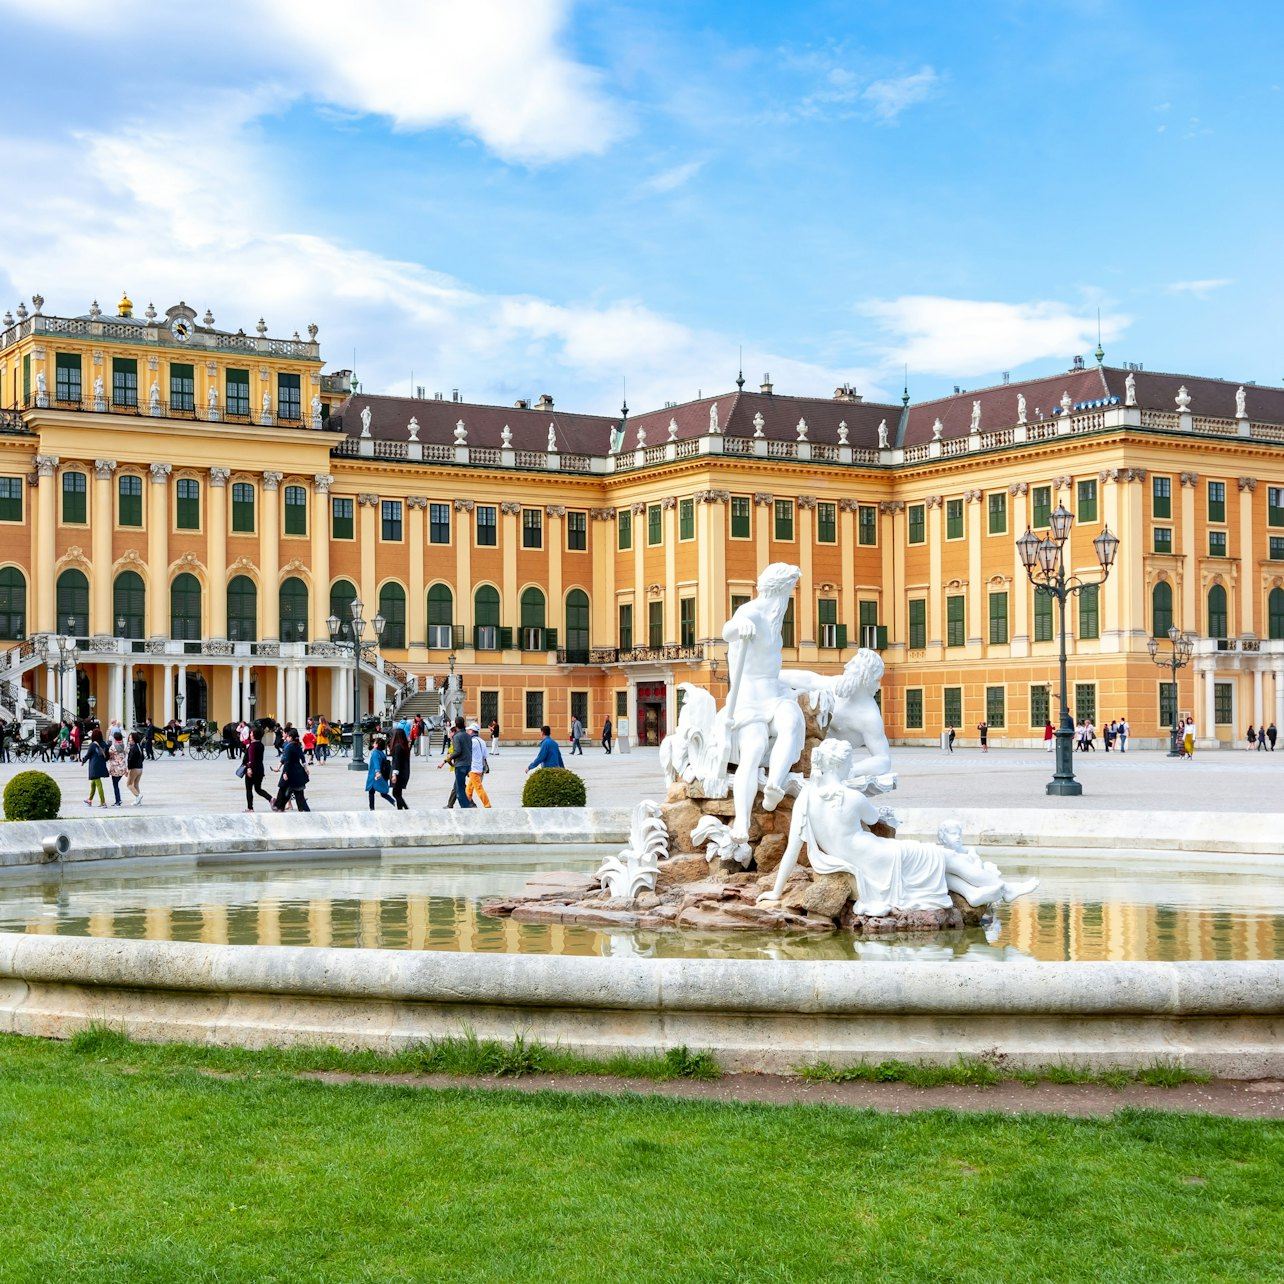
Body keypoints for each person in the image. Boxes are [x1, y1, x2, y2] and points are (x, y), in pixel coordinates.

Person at [272, 727, 311, 811]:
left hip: (290, 771)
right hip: (298, 772)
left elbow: (287, 761)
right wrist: (306, 769)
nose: (287, 738)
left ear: (291, 737)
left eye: (288, 736)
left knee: (284, 790)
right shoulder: (297, 746)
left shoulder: (288, 747)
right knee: (298, 792)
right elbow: (303, 759)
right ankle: (303, 810)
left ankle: (279, 807)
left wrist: (285, 772)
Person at [439, 716, 474, 808]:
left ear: (456, 725)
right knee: (458, 786)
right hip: (468, 763)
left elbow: (457, 751)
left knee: (460, 789)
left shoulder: (457, 736)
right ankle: (452, 804)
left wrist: (450, 757)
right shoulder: (468, 735)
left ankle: (466, 807)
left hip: (460, 764)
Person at [242, 726, 273, 812]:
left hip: (252, 770)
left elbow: (251, 759)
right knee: (258, 789)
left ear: (254, 735)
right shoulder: (261, 745)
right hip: (260, 770)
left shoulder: (252, 746)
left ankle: (250, 808)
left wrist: (249, 768)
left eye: (251, 733)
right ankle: (270, 798)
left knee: (249, 789)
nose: (250, 734)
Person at [365, 735, 396, 809]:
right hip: (382, 775)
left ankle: (372, 808)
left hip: (375, 776)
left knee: (371, 791)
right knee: (383, 793)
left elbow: (376, 763)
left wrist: (377, 772)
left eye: (375, 743)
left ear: (377, 745)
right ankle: (394, 802)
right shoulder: (381, 753)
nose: (373, 744)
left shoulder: (375, 753)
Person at [465, 722, 491, 807]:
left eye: (469, 730)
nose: (467, 732)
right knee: (469, 788)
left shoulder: (472, 741)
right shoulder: (482, 741)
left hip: (473, 768)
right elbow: (485, 755)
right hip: (480, 767)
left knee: (478, 788)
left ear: (472, 731)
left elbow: (467, 753)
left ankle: (487, 804)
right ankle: (466, 803)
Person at [82, 730, 109, 808]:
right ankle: (89, 800)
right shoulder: (104, 744)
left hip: (94, 766)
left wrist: (83, 761)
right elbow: (107, 755)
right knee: (93, 783)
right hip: (102, 765)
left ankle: (103, 802)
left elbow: (88, 755)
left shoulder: (93, 745)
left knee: (98, 784)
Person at [389, 725, 412, 809]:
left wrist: (394, 774)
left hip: (398, 774)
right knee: (398, 793)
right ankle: (402, 809)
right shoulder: (404, 746)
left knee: (396, 793)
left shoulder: (398, 747)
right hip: (403, 773)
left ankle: (405, 809)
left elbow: (397, 762)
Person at [106, 730, 127, 806]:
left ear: (114, 738)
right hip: (122, 767)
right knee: (116, 784)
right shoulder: (124, 746)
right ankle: (118, 800)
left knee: (115, 785)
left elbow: (109, 756)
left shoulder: (113, 747)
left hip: (115, 769)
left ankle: (118, 800)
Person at [125, 731, 145, 805]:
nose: (129, 739)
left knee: (129, 784)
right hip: (140, 768)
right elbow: (143, 757)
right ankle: (138, 801)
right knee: (136, 784)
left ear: (134, 739)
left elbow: (130, 760)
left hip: (134, 768)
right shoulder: (139, 746)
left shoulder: (133, 748)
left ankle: (138, 796)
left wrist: (128, 770)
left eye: (130, 738)